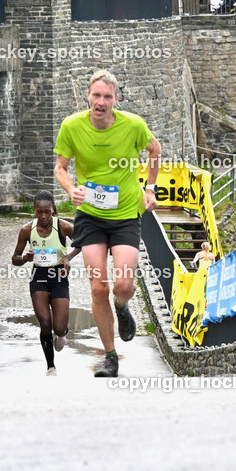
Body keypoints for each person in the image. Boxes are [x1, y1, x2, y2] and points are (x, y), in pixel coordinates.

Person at [54, 69, 161, 377]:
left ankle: (122, 305)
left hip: (126, 212)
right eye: (96, 95)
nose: (101, 102)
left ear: (116, 99)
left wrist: (150, 188)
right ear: (88, 97)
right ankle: (110, 356)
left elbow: (155, 150)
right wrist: (71, 188)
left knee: (124, 284)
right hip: (90, 215)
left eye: (107, 97)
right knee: (98, 287)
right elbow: (61, 167)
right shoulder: (72, 127)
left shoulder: (133, 125)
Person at [11, 191, 82, 376]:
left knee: (58, 327)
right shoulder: (27, 230)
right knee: (44, 323)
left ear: (53, 210)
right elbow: (15, 259)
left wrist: (68, 257)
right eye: (39, 212)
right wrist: (25, 258)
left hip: (58, 276)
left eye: (47, 212)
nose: (43, 216)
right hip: (39, 277)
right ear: (34, 211)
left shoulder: (64, 227)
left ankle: (62, 333)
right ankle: (50, 367)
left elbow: (83, 242)